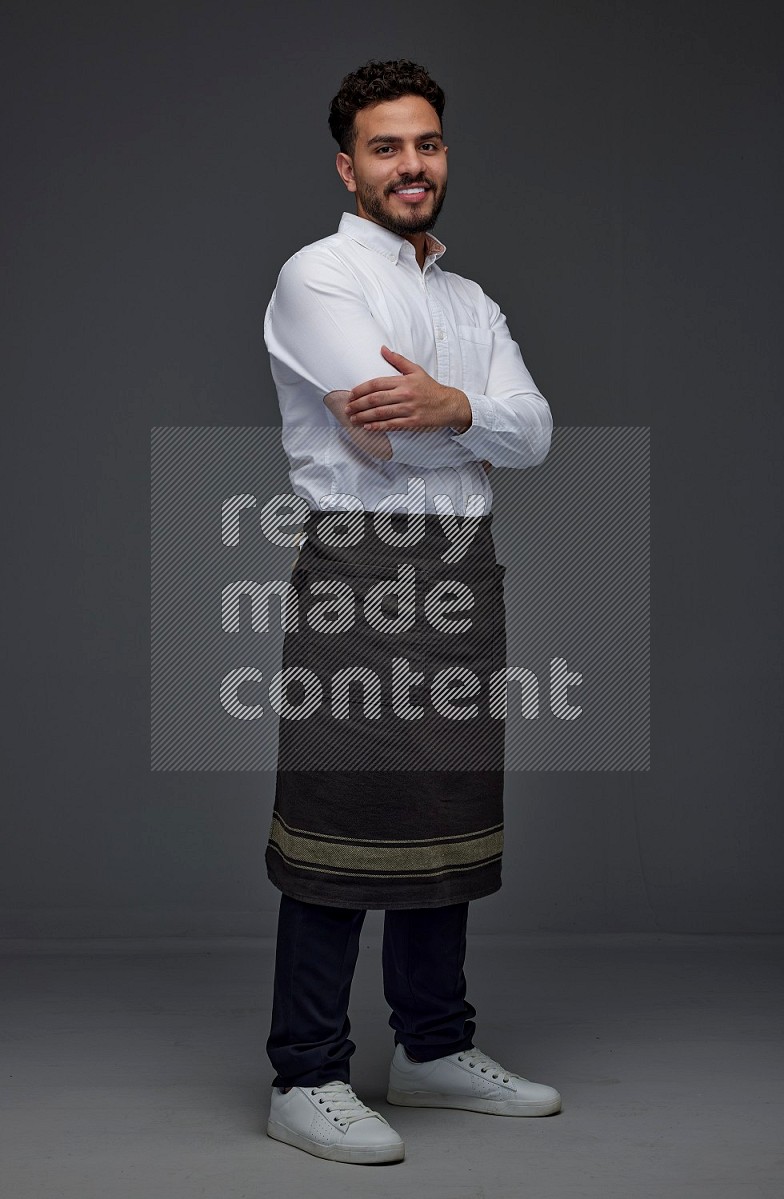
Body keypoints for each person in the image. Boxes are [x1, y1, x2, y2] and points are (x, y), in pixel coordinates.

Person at [262, 59, 560, 1166]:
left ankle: (432, 1046)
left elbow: (535, 433)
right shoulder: (317, 276)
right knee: (340, 809)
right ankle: (307, 1068)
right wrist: (471, 409)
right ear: (348, 166)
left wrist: (457, 405)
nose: (411, 165)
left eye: (425, 143)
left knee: (444, 799)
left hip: (463, 564)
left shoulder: (466, 298)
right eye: (385, 148)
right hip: (359, 564)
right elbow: (379, 432)